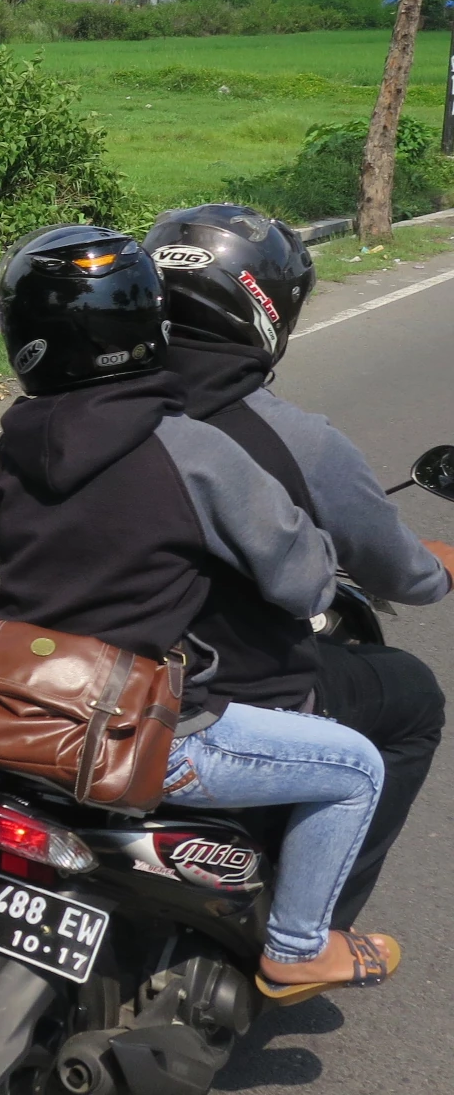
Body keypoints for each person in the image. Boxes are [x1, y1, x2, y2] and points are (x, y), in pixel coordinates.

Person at [0, 224, 397, 1002]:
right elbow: (308, 583)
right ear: (151, 321)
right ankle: (298, 947)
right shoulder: (188, 448)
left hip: (15, 711)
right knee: (357, 768)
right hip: (141, 733)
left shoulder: (13, 442)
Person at [144, 203, 454, 930]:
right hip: (199, 696)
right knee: (410, 698)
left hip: (56, 675)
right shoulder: (289, 440)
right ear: (265, 310)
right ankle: (309, 926)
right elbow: (372, 574)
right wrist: (432, 573)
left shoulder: (74, 407)